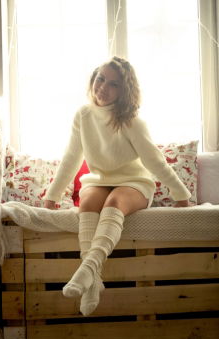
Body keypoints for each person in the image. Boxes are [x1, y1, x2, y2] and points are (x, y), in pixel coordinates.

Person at [44, 56, 191, 316]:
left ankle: (87, 268)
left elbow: (154, 162)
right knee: (87, 202)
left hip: (134, 183)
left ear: (124, 91)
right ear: (93, 78)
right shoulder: (83, 115)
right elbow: (71, 157)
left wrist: (180, 194)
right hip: (100, 180)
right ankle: (92, 284)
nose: (103, 87)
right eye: (100, 79)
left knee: (113, 203)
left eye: (113, 84)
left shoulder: (132, 121)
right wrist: (52, 195)